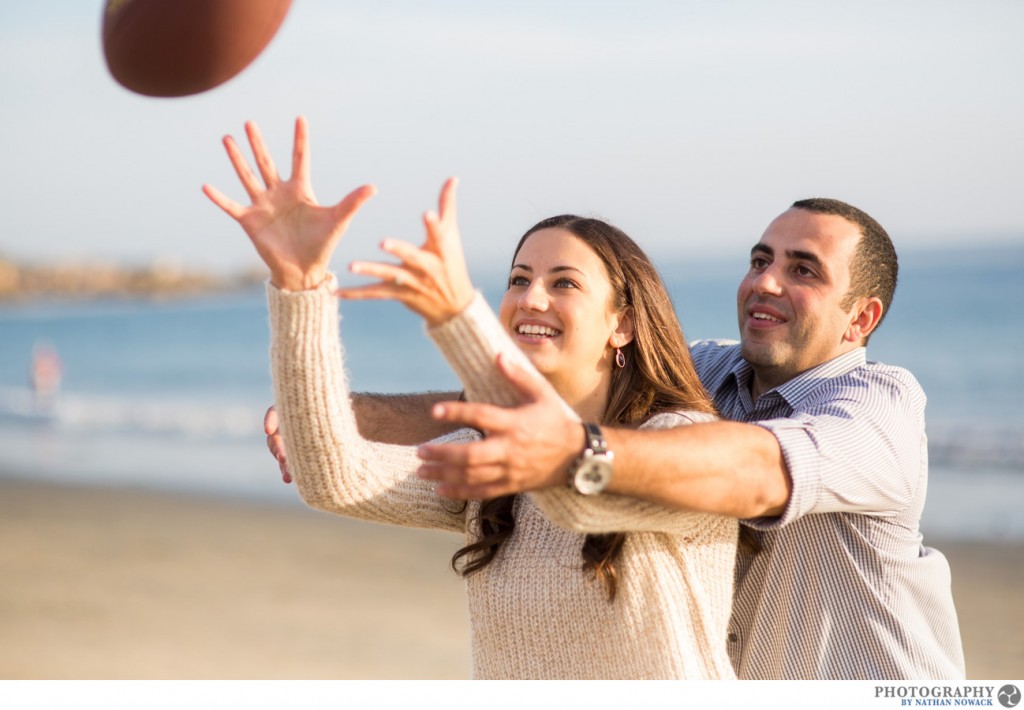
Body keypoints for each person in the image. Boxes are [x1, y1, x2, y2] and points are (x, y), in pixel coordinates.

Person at [268, 194, 966, 680]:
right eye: (760, 259)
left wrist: (461, 317)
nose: (765, 281)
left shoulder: (881, 408)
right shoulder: (703, 373)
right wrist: (332, 405)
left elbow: (756, 470)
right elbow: (511, 413)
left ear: (860, 318)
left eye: (802, 269)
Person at [204, 116, 739, 679]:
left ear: (623, 325)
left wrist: (458, 316)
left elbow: (578, 490)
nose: (531, 298)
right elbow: (334, 476)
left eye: (564, 283)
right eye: (518, 279)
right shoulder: (491, 461)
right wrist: (300, 285)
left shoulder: (679, 441)